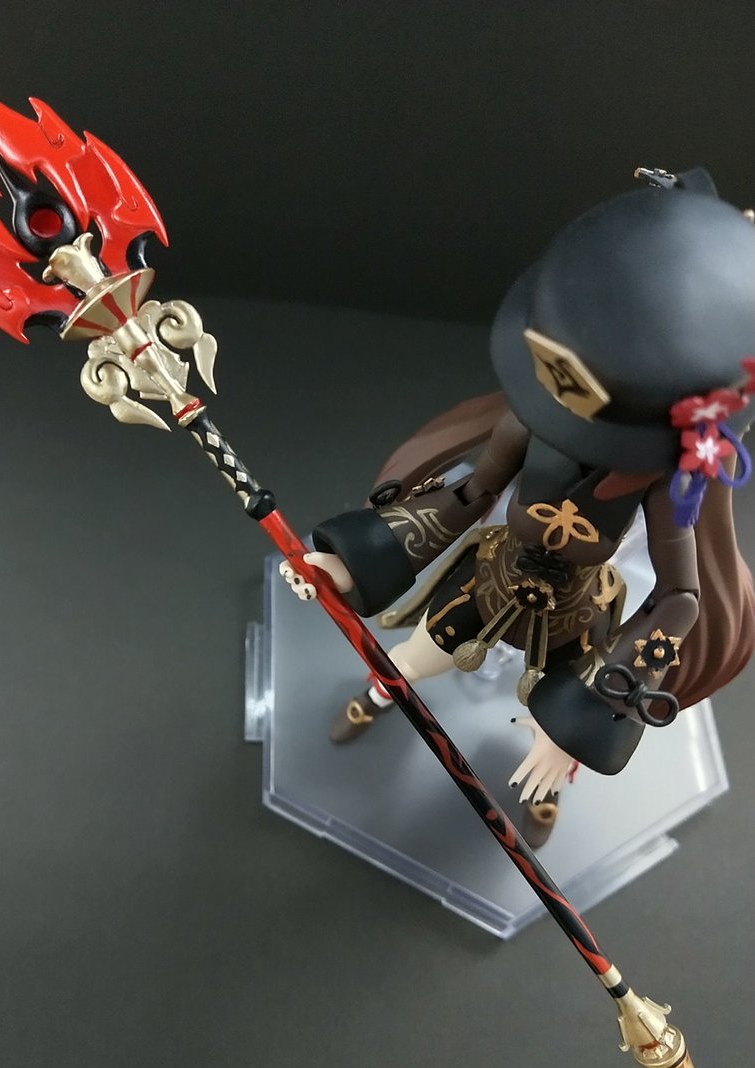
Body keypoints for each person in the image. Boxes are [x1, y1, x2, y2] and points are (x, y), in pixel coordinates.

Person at [282, 168, 755, 846]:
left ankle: (551, 782)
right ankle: (378, 697)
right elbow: (469, 496)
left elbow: (680, 596)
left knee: (552, 734)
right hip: (492, 582)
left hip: (577, 617)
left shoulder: (662, 482)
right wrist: (348, 562)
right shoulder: (529, 426)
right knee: (408, 662)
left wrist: (594, 712)